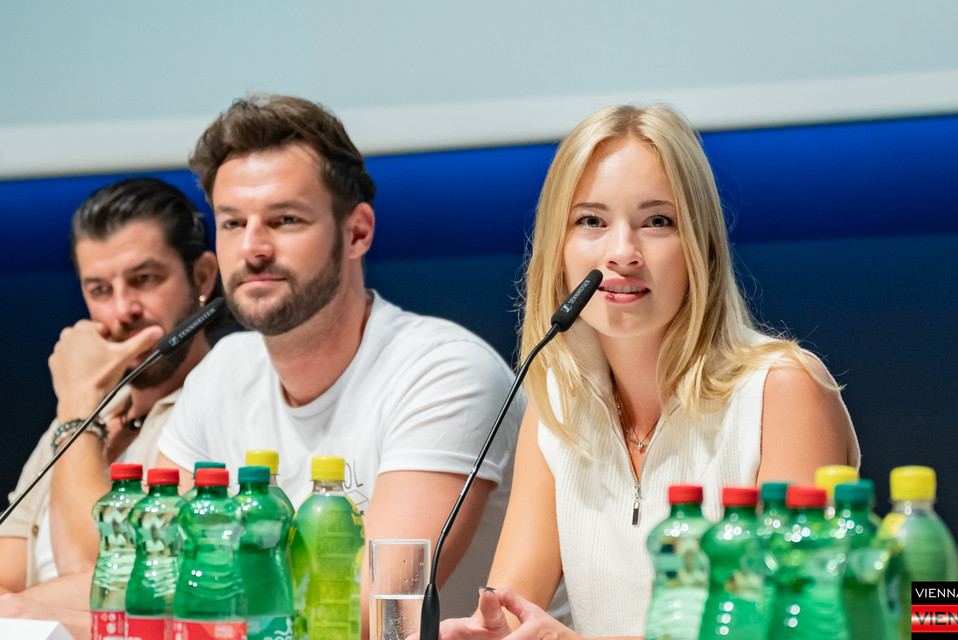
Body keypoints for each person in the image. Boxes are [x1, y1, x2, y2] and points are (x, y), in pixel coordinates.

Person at [433, 105, 860, 639]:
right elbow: (508, 612)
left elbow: (786, 626)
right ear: (557, 248)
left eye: (658, 221)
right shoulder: (557, 409)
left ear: (702, 244)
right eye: (591, 221)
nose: (622, 253)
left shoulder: (783, 390)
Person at [154, 94, 522, 621]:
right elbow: (153, 569)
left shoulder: (446, 373)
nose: (252, 249)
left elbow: (376, 612)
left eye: (284, 220)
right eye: (232, 223)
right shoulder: (222, 372)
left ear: (357, 232)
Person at [0, 178, 220, 628]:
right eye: (99, 290)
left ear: (201, 278)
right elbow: (6, 568)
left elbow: (109, 578)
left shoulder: (224, 403)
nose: (121, 311)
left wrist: (77, 407)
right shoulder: (88, 411)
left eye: (144, 280)